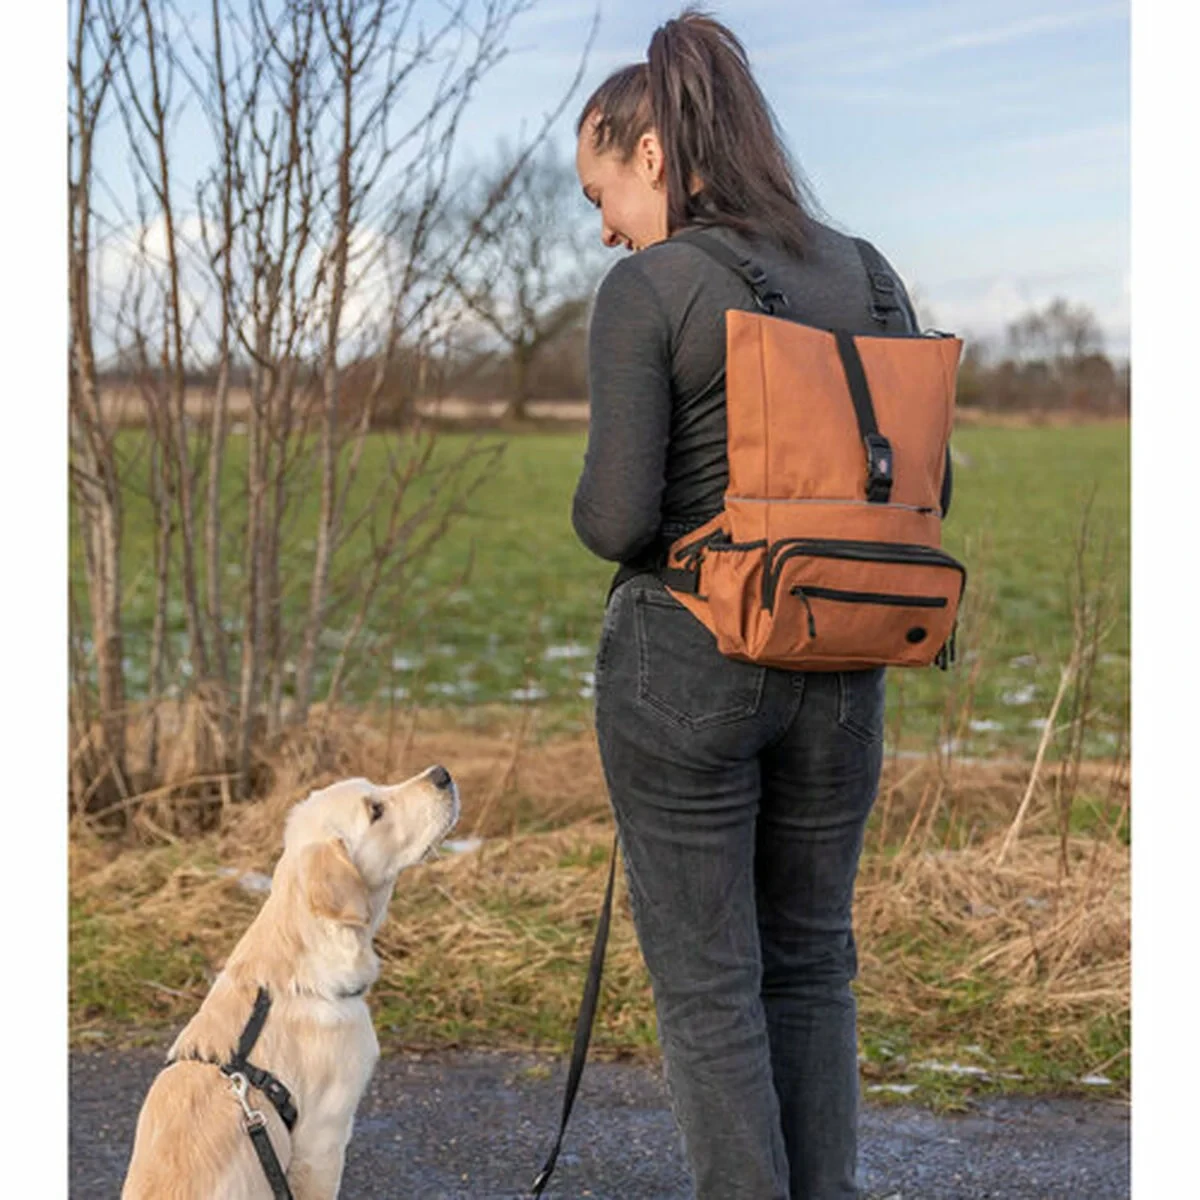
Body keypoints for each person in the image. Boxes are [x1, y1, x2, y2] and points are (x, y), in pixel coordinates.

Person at [571, 10, 950, 1200]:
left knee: (709, 988)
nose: (602, 228)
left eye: (601, 192)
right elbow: (931, 480)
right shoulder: (874, 275)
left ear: (650, 154)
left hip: (687, 665)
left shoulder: (653, 287)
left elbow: (618, 519)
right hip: (846, 667)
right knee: (811, 967)